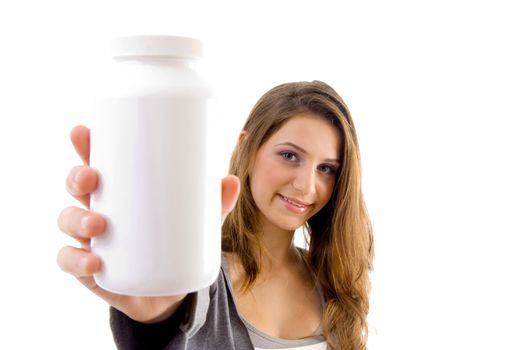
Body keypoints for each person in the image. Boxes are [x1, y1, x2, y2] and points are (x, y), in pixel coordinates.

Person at [57, 80, 374, 350]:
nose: (306, 186)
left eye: (327, 168)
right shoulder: (198, 274)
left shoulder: (334, 282)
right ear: (246, 149)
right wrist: (154, 321)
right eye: (289, 156)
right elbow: (168, 318)